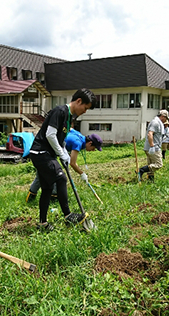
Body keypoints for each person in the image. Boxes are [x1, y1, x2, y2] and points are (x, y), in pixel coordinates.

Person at [28, 88, 97, 231]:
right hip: (41, 152)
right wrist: (62, 154)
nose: (85, 111)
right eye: (85, 107)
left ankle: (43, 224)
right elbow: (50, 134)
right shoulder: (60, 111)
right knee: (61, 178)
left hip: (45, 154)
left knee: (47, 188)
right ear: (79, 101)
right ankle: (68, 215)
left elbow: (61, 140)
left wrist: (63, 151)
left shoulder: (69, 117)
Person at [26, 130, 103, 202]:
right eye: (93, 148)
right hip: (47, 152)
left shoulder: (78, 135)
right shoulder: (78, 143)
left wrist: (66, 153)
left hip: (47, 151)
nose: (92, 150)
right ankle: (53, 199)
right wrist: (82, 173)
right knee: (56, 175)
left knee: (41, 174)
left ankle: (30, 198)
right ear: (90, 143)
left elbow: (70, 130)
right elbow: (73, 163)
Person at [138, 109, 169, 181]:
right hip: (153, 147)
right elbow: (150, 134)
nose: (166, 120)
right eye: (166, 118)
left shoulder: (158, 123)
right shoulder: (155, 123)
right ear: (163, 116)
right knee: (158, 164)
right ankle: (141, 170)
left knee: (151, 165)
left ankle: (150, 181)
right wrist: (152, 146)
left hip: (151, 147)